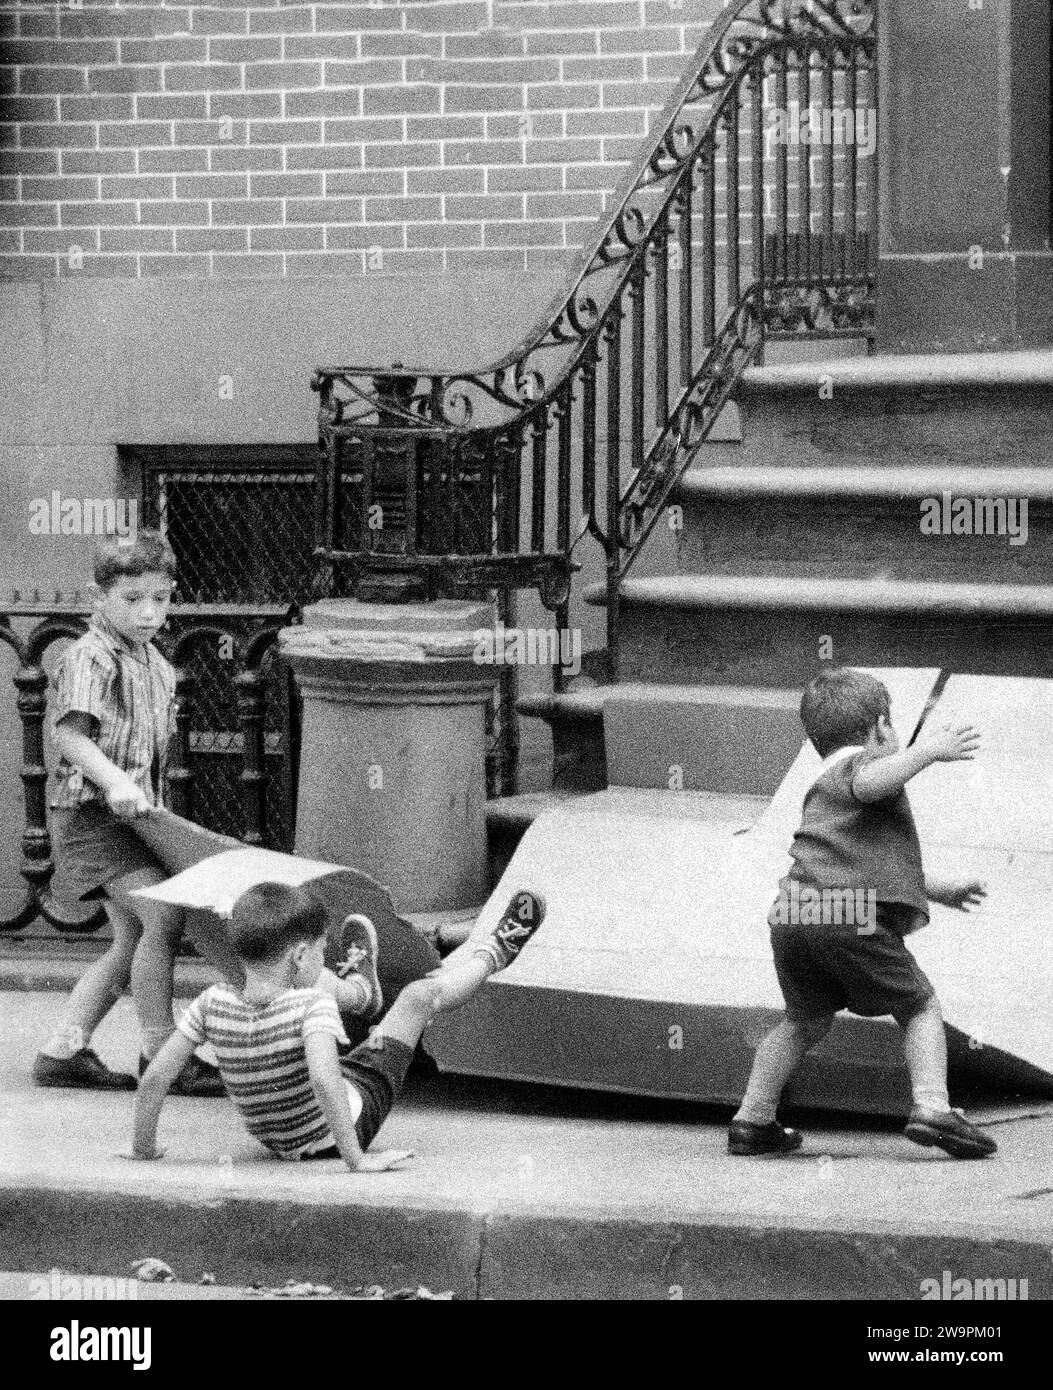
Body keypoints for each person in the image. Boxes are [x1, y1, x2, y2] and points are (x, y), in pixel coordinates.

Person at [729, 667, 996, 1161]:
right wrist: (928, 751)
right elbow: (871, 782)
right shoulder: (862, 768)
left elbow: (866, 866)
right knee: (918, 1005)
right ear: (880, 726)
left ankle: (753, 1119)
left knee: (803, 1021)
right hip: (846, 915)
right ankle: (934, 1107)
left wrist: (940, 889)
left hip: (795, 913)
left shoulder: (822, 786)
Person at [130, 882, 546, 1169]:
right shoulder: (311, 1005)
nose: (324, 954)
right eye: (320, 949)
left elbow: (155, 1078)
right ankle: (495, 951)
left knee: (334, 1034)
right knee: (420, 998)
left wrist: (143, 1149)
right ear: (298, 956)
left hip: (278, 1139)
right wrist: (356, 1159)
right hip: (346, 1121)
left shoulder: (210, 1002)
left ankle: (363, 992)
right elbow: (327, 1081)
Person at [33, 531, 240, 1094]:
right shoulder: (90, 656)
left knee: (130, 942)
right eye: (132, 599)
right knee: (164, 920)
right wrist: (117, 781)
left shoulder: (154, 663)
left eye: (161, 597)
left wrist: (142, 799)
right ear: (98, 597)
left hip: (131, 820)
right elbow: (71, 737)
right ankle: (161, 1055)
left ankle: (62, 1053)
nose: (149, 612)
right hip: (92, 819)